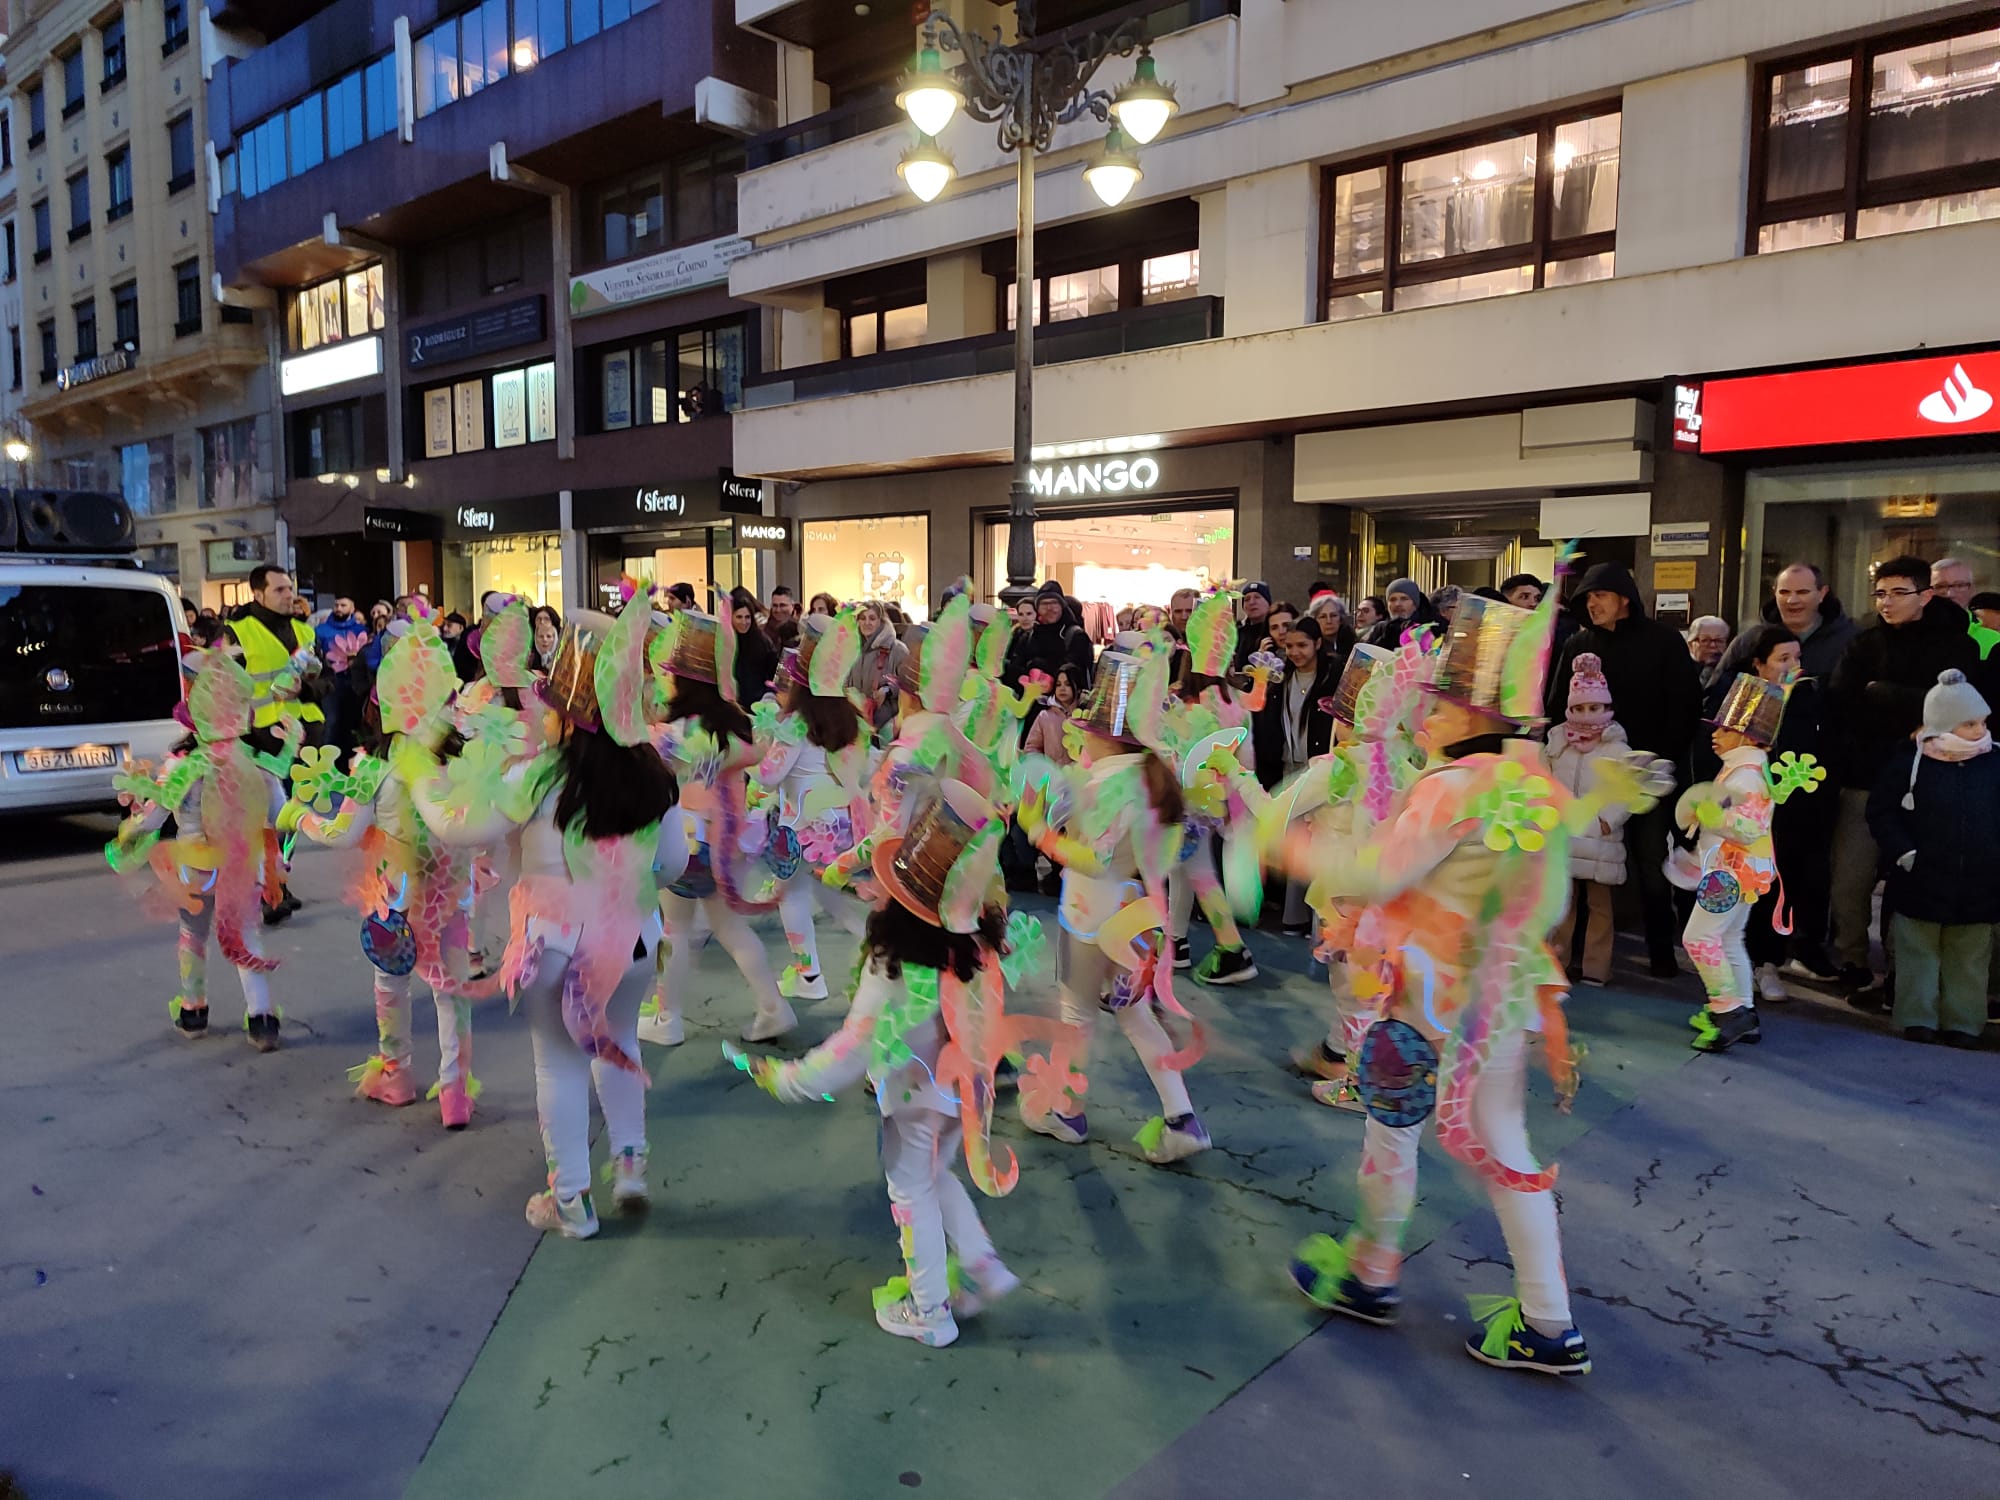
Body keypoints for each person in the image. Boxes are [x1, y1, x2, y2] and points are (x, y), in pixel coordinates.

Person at [1288, 586, 1670, 1376]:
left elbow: (1375, 874)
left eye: (1438, 702)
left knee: (1391, 1134)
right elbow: (1555, 901)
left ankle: (1370, 1274)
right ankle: (1549, 1320)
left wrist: (1280, 844)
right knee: (1507, 1149)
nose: (1422, 714)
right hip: (1505, 999)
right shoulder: (1535, 788)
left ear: (1473, 713)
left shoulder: (1449, 788)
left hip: (1426, 1003)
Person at [738, 782, 1045, 1347]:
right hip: (964, 1099)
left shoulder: (895, 968)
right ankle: (980, 1264)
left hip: (914, 1103)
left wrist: (790, 1081)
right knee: (935, 1177)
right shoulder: (976, 947)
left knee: (910, 1191)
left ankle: (929, 1310)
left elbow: (852, 1049)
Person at [412, 602, 683, 1238]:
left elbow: (457, 829)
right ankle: (631, 1164)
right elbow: (672, 864)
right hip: (634, 943)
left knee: (558, 1065)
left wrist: (423, 777)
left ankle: (571, 1201)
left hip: (554, 950)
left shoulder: (537, 776)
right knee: (620, 1045)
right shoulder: (654, 774)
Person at [281, 616, 496, 1126]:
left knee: (390, 984)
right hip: (451, 895)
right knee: (451, 991)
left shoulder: (374, 770)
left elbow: (343, 833)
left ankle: (396, 1075)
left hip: (394, 900)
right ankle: (455, 1093)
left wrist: (301, 816)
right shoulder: (460, 762)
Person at [1017, 646, 1213, 1164]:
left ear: (1103, 732)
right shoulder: (1148, 779)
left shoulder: (1109, 784)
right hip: (1137, 917)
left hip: (1090, 917)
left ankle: (1064, 1108)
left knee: (1077, 1011)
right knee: (1135, 1017)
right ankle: (1181, 1117)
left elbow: (1093, 859)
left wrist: (1038, 831)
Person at [105, 650, 292, 1052]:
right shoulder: (257, 764)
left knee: (192, 935)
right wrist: (280, 858)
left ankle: (194, 1010)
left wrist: (129, 835)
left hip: (195, 868)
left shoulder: (180, 767)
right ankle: (261, 1019)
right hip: (244, 866)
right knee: (247, 935)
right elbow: (280, 815)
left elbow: (153, 820)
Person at [1824, 555, 1979, 1004]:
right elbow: (1842, 704)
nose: (1886, 602)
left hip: (1929, 781)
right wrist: (1906, 710)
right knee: (1849, 880)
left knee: (1910, 883)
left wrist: (1883, 693)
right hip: (1865, 777)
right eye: (1880, 593)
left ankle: (1899, 975)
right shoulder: (1863, 643)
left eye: (1898, 593)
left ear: (1925, 595)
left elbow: (1955, 709)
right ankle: (1852, 961)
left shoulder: (1956, 645)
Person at [640, 609, 797, 1046]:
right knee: (728, 929)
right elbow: (755, 756)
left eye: (669, 672)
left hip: (684, 844)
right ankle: (772, 1006)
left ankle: (666, 1018)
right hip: (726, 844)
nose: (664, 679)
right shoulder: (734, 726)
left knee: (675, 931)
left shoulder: (673, 734)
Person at [1545, 561, 1703, 979]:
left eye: (1599, 595)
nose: (1592, 603)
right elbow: (1555, 704)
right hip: (1589, 778)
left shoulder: (1664, 641)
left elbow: (1685, 704)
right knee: (1581, 866)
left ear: (1624, 598)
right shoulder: (1578, 644)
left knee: (1650, 859)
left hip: (1645, 774)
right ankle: (1575, 956)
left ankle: (1660, 949)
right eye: (1586, 598)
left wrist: (1658, 762)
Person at [1867, 669, 1999, 1048]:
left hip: (1981, 879)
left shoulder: (1993, 762)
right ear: (1942, 724)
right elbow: (1882, 810)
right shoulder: (1911, 761)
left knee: (1970, 956)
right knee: (1917, 951)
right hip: (1921, 875)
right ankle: (1916, 1016)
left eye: (1983, 721)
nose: (1980, 730)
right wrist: (1905, 853)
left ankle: (1964, 1022)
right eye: (1969, 723)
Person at [1670, 674, 1800, 1053]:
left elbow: (1747, 827)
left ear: (1747, 734)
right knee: (1728, 937)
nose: (1716, 733)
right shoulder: (1748, 769)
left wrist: (1705, 811)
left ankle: (1727, 1012)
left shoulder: (1746, 776)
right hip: (1741, 872)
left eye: (1725, 727)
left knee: (1698, 938)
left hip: (1730, 873)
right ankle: (1744, 1011)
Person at [752, 611, 871, 1004]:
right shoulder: (851, 716)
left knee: (794, 896)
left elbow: (769, 776)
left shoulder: (797, 724)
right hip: (843, 825)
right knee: (835, 898)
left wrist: (760, 746)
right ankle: (877, 958)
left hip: (801, 828)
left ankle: (810, 976)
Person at [1697, 625, 1818, 1003]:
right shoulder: (1734, 700)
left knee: (1717, 928)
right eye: (1783, 659)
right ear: (1758, 664)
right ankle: (1734, 1003)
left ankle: (1757, 977)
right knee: (1712, 932)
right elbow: (1709, 760)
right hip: (1732, 846)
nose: (1792, 666)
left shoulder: (1808, 697)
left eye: (1796, 658)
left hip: (1776, 824)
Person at [225, 564, 322, 925]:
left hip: (298, 739)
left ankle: (278, 883)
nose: (289, 595)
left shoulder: (302, 629)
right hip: (255, 739)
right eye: (280, 589)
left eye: (290, 588)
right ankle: (265, 890)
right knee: (264, 819)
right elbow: (223, 685)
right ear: (258, 593)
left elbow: (321, 678)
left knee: (289, 820)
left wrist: (306, 688)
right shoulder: (237, 631)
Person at [1545, 654, 1634, 988]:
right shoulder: (1557, 744)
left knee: (1599, 906)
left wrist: (1608, 820)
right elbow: (1544, 778)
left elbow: (1626, 789)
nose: (1587, 715)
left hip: (1599, 837)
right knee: (1562, 903)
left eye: (1595, 708)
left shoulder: (1616, 749)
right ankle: (1557, 962)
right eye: (1580, 708)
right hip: (1564, 833)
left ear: (1606, 708)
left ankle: (1597, 967)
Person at [1266, 616, 1342, 932]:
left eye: (1302, 645)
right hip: (1287, 764)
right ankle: (1293, 915)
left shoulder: (1331, 679)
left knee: (1315, 843)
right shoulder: (1280, 679)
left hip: (1318, 766)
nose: (1295, 652)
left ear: (1317, 644)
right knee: (1293, 840)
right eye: (1290, 646)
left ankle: (1313, 918)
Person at [1763, 562, 1858, 683]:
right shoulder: (1751, 640)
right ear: (1774, 593)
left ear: (1822, 593)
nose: (1792, 600)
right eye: (1784, 592)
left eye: (1802, 592)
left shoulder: (1853, 642)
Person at [1005, 582, 1093, 695]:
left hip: (1064, 708)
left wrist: (1039, 665)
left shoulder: (1075, 636)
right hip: (1031, 706)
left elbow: (1074, 673)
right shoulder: (1028, 637)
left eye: (1054, 603)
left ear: (1062, 606)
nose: (1049, 608)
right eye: (1044, 604)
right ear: (1038, 608)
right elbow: (1015, 670)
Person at [852, 601, 911, 736]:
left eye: (872, 618)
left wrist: (888, 690)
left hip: (886, 724)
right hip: (856, 720)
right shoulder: (852, 649)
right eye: (862, 618)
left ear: (881, 620)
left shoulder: (897, 649)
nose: (867, 623)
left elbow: (909, 684)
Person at [1365, 579, 1438, 649]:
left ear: (1415, 604)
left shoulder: (1429, 629)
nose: (1397, 604)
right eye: (1392, 599)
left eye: (1404, 599)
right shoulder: (1380, 629)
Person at [1233, 582, 1273, 669]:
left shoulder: (1275, 631)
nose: (1252, 602)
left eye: (1257, 597)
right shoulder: (1237, 634)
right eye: (1247, 599)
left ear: (1268, 603)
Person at [1686, 616, 1732, 687]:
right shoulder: (1679, 670)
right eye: (1705, 640)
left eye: (1719, 640)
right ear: (1691, 644)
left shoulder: (1733, 670)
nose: (1713, 645)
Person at [765, 585, 800, 653]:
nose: (778, 610)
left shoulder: (801, 629)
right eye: (775, 606)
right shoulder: (763, 631)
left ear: (792, 606)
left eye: (782, 605)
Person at [530, 606, 563, 675]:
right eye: (538, 619)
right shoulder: (530, 641)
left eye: (546, 619)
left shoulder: (563, 640)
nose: (542, 622)